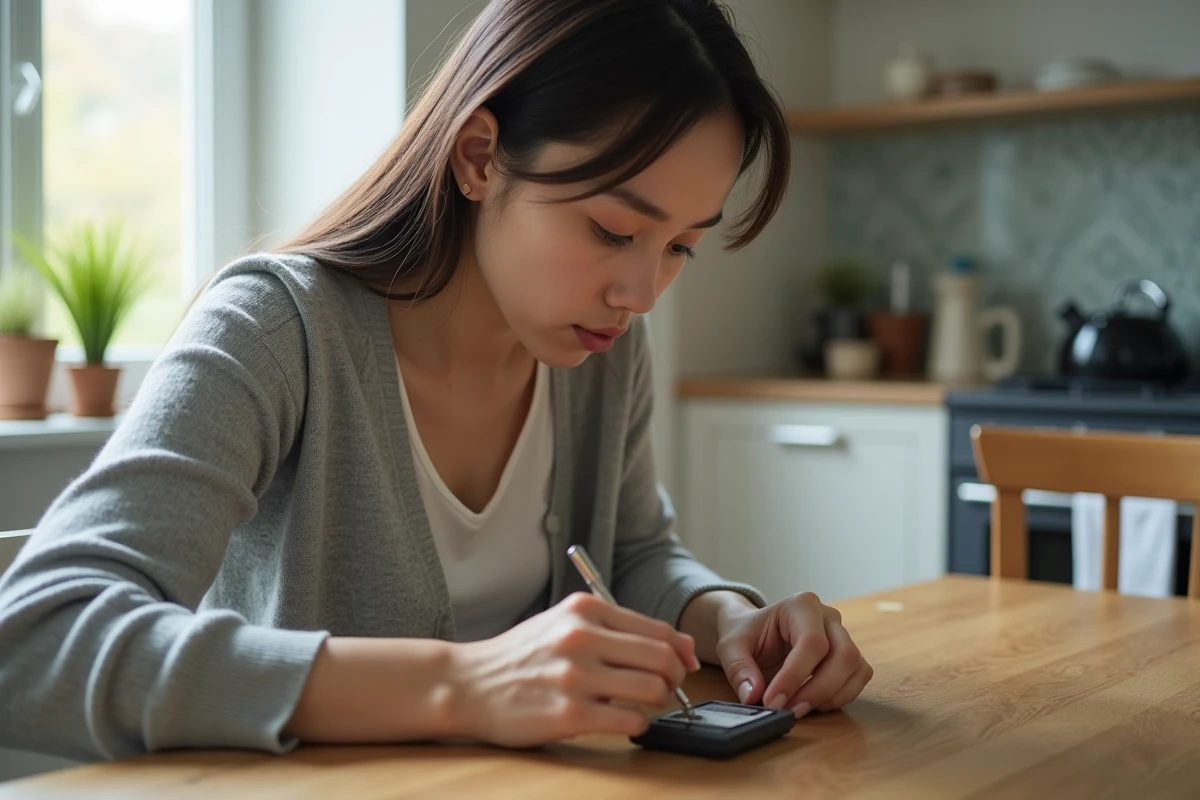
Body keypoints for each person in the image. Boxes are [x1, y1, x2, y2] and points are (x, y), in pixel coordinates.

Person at [0, 0, 871, 761]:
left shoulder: (599, 349)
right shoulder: (275, 330)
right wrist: (464, 683)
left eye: (680, 245)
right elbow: (33, 644)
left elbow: (632, 554)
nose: (641, 293)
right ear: (480, 157)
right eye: (613, 229)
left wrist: (723, 619)